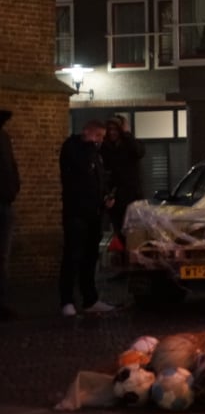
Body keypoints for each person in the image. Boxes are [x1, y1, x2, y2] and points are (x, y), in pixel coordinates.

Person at [59, 119, 116, 317]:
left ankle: (90, 298)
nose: (100, 141)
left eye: (102, 137)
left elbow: (99, 178)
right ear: (87, 132)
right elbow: (80, 172)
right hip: (76, 213)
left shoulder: (95, 154)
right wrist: (90, 146)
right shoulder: (73, 148)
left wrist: (106, 196)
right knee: (73, 256)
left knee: (90, 258)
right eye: (98, 136)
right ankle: (67, 300)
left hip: (94, 213)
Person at [99, 114, 144, 242]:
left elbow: (139, 152)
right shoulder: (105, 148)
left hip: (133, 195)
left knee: (135, 230)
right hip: (115, 196)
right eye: (110, 129)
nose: (112, 132)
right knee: (119, 230)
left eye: (115, 129)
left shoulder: (131, 145)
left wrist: (127, 134)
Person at [0, 109, 18, 321]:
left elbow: (10, 166)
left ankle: (2, 303)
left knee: (3, 256)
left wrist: (13, 188)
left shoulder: (4, 138)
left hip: (5, 200)